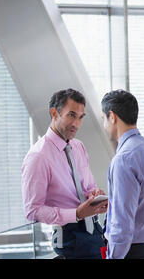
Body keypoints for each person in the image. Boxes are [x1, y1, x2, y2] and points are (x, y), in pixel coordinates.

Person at [21, 88, 108, 259]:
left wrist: (95, 195)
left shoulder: (78, 147)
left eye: (80, 117)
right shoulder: (38, 156)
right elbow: (32, 210)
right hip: (69, 238)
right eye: (71, 115)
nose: (76, 124)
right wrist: (76, 214)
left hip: (96, 233)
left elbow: (88, 187)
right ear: (54, 113)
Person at [101, 89, 144, 259]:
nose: (104, 125)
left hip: (133, 252)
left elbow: (121, 223)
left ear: (112, 116)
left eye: (104, 119)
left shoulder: (124, 159)